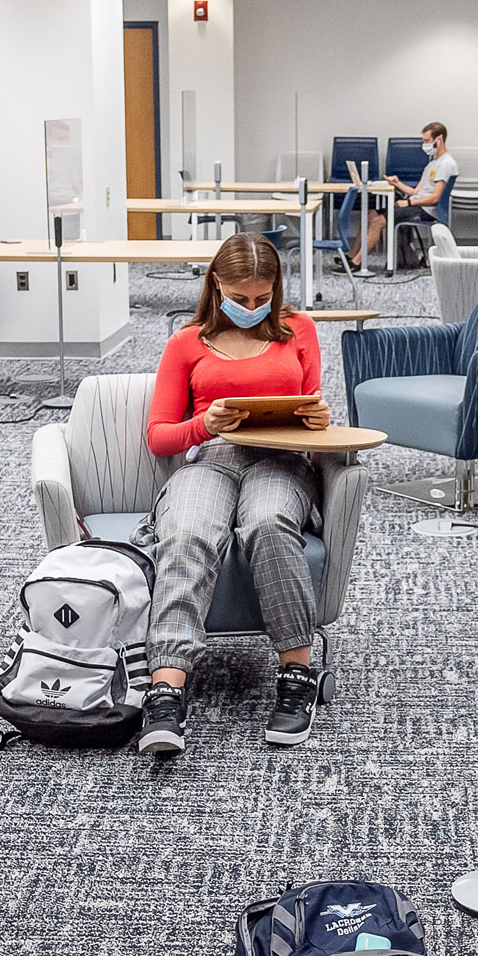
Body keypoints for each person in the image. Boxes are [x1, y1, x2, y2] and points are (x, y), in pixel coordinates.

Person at [137, 234, 333, 755]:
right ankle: (166, 687)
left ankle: (297, 673)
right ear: (215, 283)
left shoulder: (299, 331)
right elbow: (159, 435)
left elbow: (316, 415)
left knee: (269, 524)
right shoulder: (186, 343)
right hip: (212, 456)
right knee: (186, 530)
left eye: (260, 297)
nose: (251, 308)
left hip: (281, 458)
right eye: (240, 297)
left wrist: (317, 420)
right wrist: (205, 423)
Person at [349, 120, 456, 270]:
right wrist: (397, 183)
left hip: (426, 211)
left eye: (427, 141)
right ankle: (350, 257)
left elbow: (435, 198)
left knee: (377, 222)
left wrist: (409, 203)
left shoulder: (446, 164)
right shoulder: (432, 163)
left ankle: (357, 263)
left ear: (439, 140)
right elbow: (415, 192)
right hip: (418, 205)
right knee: (370, 214)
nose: (424, 145)